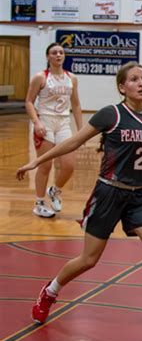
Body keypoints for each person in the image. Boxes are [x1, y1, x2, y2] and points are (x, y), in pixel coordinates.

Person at [17, 61, 142, 341]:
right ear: (122, 87)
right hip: (108, 193)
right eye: (135, 79)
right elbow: (73, 142)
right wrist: (36, 161)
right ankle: (50, 291)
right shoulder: (110, 114)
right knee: (89, 259)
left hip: (141, 195)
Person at [25, 43, 83, 218]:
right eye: (54, 52)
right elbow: (28, 102)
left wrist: (81, 130)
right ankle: (39, 203)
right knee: (45, 165)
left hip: (63, 123)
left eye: (61, 52)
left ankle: (55, 190)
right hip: (45, 122)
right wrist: (37, 122)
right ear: (48, 56)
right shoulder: (40, 77)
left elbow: (76, 104)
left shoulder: (71, 78)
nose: (58, 55)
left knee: (69, 165)